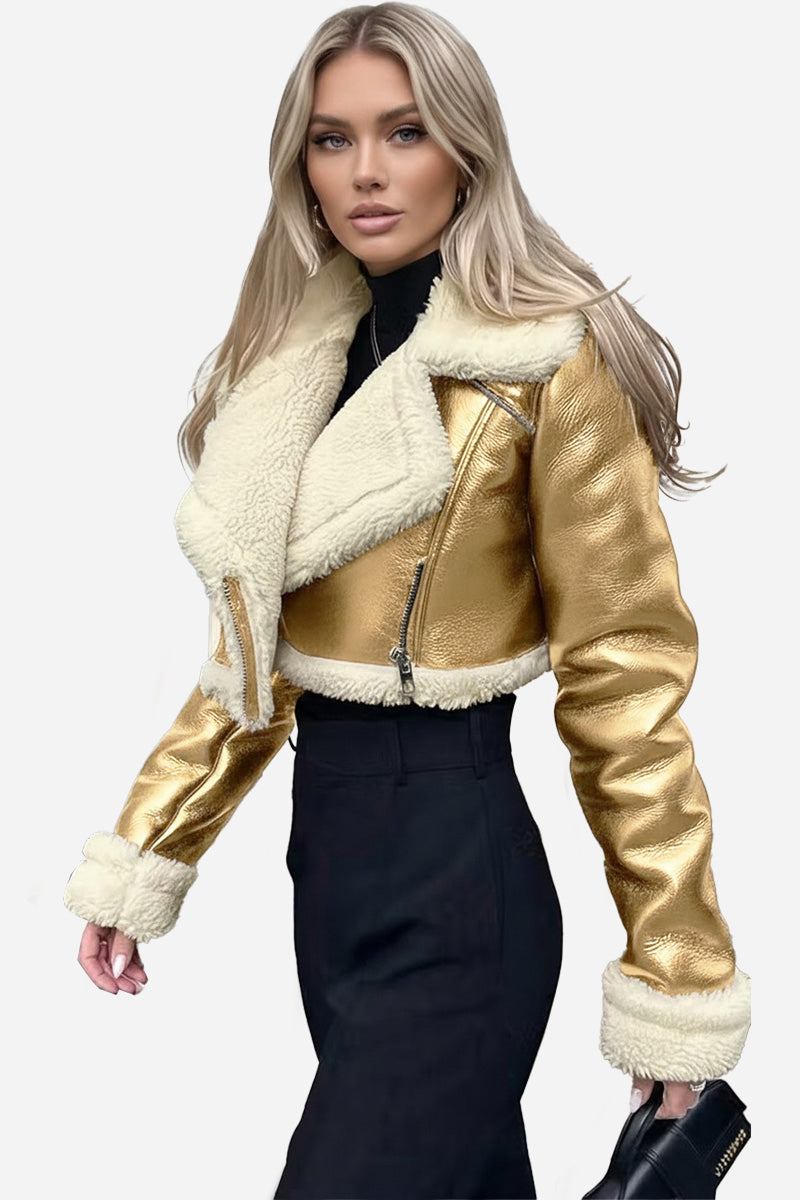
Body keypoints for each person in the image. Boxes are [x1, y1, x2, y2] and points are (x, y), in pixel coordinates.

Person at [63, 4, 751, 1197]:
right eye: (332, 139)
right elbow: (252, 661)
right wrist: (146, 853)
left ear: (466, 149)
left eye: (404, 131)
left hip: (459, 877)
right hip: (329, 878)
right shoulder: (290, 368)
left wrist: (675, 977)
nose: (365, 172)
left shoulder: (543, 362)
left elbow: (624, 682)